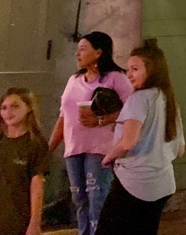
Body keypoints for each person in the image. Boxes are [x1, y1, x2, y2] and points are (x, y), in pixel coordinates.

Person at [47, 32, 134, 235]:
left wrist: (101, 120)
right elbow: (63, 117)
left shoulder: (115, 78)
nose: (78, 54)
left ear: (99, 52)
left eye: (83, 49)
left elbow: (132, 110)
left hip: (100, 148)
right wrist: (49, 148)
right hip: (74, 147)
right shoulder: (74, 80)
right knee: (79, 198)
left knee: (97, 196)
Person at [96, 39, 184, 235]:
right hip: (163, 184)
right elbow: (180, 149)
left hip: (134, 183)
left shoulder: (138, 99)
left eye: (135, 69)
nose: (129, 75)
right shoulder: (168, 100)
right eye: (129, 69)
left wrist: (108, 157)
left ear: (152, 70)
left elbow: (128, 141)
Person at [1, 87, 50, 235]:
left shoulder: (36, 143)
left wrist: (35, 222)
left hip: (18, 219)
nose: (9, 112)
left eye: (15, 106)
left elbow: (37, 185)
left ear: (28, 107)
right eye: (4, 108)